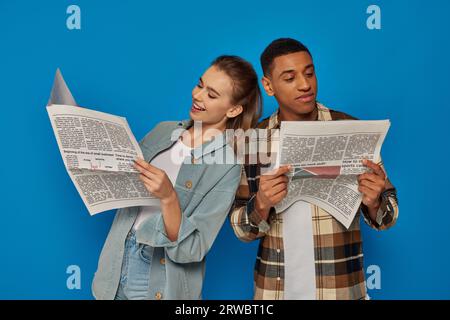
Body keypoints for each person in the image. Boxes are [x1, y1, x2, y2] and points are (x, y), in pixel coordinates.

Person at [230, 38, 399, 300]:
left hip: (341, 290)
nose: (305, 84)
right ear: (268, 86)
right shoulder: (254, 141)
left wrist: (376, 201)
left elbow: (388, 217)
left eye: (309, 73)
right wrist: (261, 203)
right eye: (290, 77)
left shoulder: (349, 129)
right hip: (275, 292)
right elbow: (241, 230)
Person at [92, 55, 262, 300]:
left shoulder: (227, 166)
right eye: (200, 84)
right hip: (115, 265)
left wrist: (169, 197)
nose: (198, 95)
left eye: (211, 95)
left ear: (234, 109)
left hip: (157, 277)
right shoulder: (163, 130)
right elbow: (124, 192)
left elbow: (192, 249)